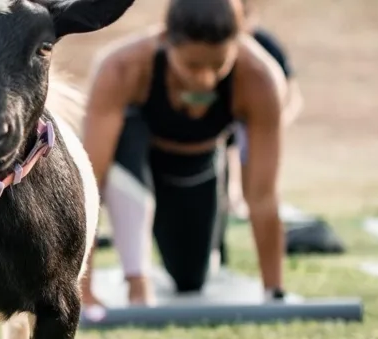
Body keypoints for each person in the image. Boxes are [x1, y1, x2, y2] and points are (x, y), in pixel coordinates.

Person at [78, 0, 289, 310]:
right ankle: (138, 283)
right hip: (136, 162)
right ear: (165, 40)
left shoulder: (260, 79)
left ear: (238, 42)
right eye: (192, 66)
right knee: (129, 129)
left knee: (190, 279)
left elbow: (262, 195)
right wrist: (82, 290)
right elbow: (89, 184)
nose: (204, 80)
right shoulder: (121, 69)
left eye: (218, 66)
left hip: (195, 169)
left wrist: (275, 292)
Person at [223, 0, 304, 221]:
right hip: (231, 118)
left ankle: (254, 201)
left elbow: (293, 92)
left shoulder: (265, 44)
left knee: (259, 164)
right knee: (229, 150)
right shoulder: (221, 42)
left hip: (259, 117)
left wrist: (277, 121)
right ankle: (231, 198)